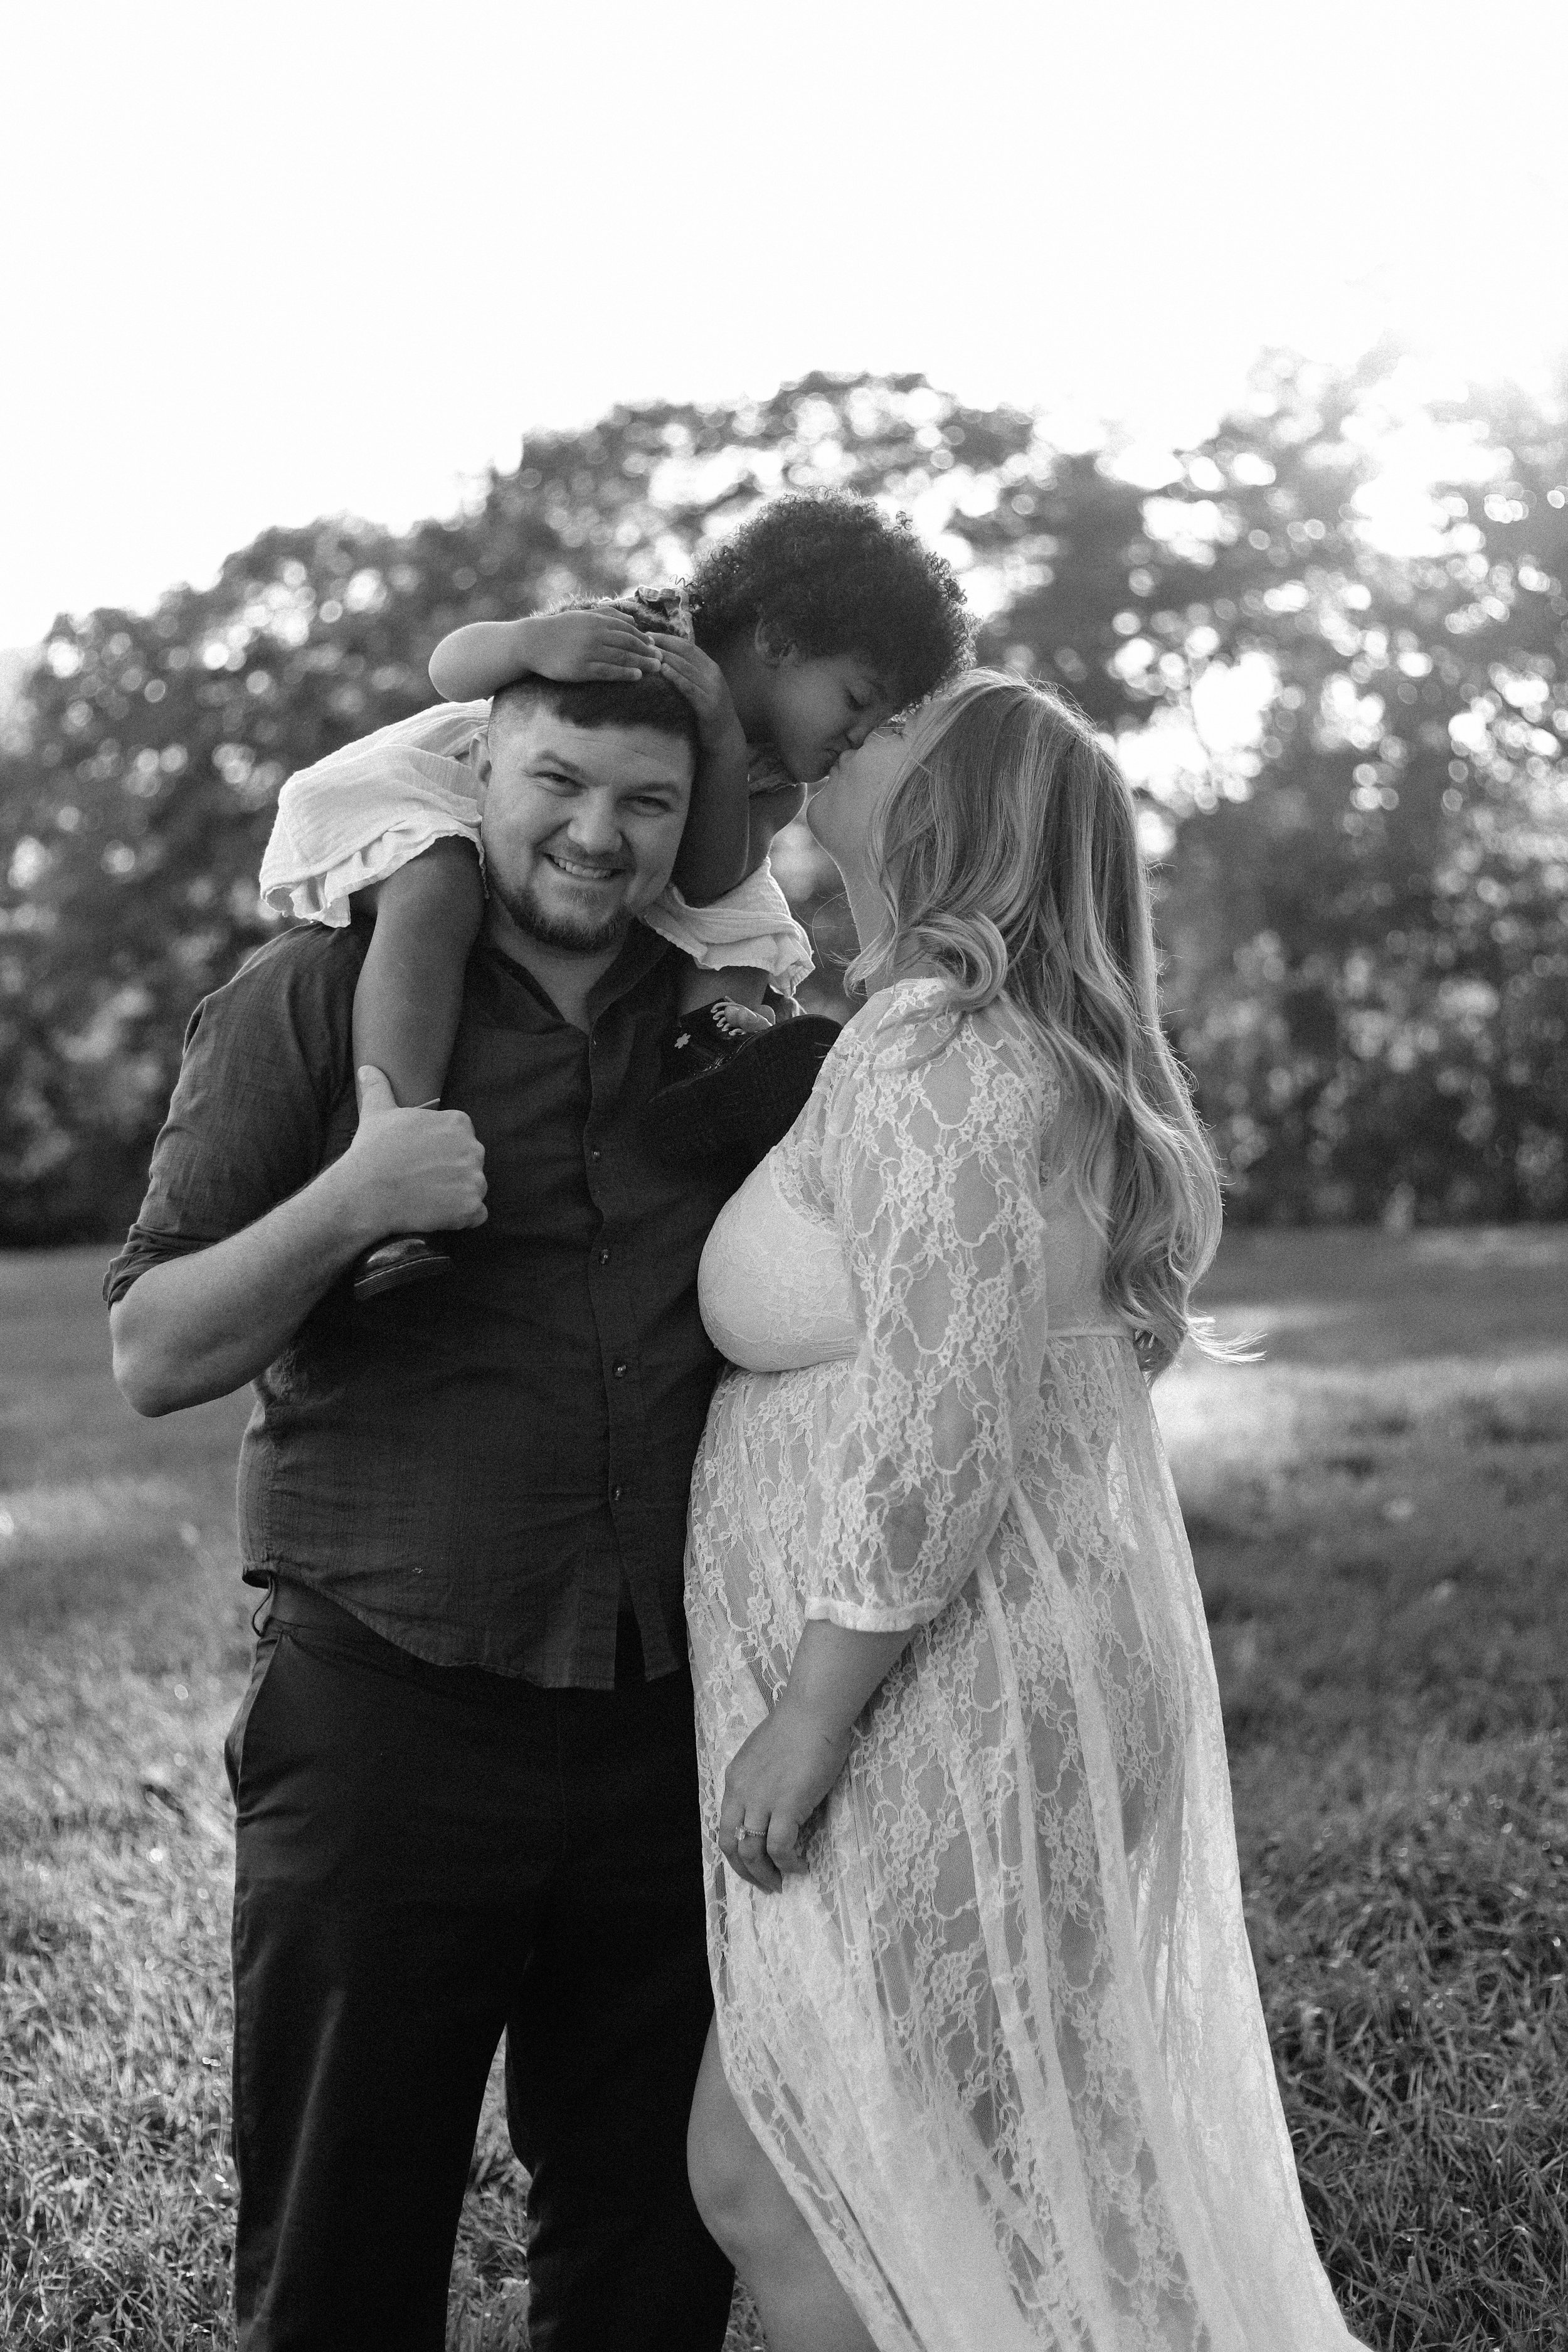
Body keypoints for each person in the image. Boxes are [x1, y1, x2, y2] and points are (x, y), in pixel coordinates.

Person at [681, 673, 1367, 2349]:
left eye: (857, 757)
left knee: (785, 2167)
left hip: (942, 1686)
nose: (815, 779)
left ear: (946, 820)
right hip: (1027, 1667)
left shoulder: (929, 1048)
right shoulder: (1033, 1052)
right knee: (1016, 2149)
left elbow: (942, 1414)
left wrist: (812, 1712)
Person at [105, 660, 743, 2352]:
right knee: (337, 2261)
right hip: (387, 1718)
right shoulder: (311, 997)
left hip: (665, 1735)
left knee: (648, 2266)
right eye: (558, 781)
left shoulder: (727, 1021)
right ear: (482, 773)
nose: (596, 833)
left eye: (645, 800)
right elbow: (155, 1348)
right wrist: (350, 1201)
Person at [258, 494, 972, 1296]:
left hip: (645, 866)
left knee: (745, 926)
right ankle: (392, 1134)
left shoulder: (774, 777)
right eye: (855, 698)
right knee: (435, 888)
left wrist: (721, 741)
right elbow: (450, 666)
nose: (859, 734)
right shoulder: (644, 631)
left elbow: (707, 882)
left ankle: (706, 1067)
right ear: (781, 638)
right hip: (493, 795)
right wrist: (530, 642)